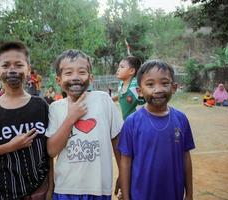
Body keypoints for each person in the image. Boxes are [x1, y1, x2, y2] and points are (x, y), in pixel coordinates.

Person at [0, 41, 53, 200]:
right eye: (6, 65)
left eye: (18, 65)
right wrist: (11, 146)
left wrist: (51, 186)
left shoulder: (41, 105)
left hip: (38, 190)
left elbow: (48, 151)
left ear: (28, 69)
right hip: (3, 190)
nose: (12, 70)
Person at [45, 49, 123, 200]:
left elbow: (117, 141)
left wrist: (123, 174)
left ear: (91, 78)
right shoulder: (55, 108)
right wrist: (71, 118)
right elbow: (51, 150)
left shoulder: (103, 100)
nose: (75, 78)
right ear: (58, 80)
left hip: (99, 188)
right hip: (66, 188)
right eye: (68, 73)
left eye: (81, 72)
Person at [118, 59, 195, 200]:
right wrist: (126, 195)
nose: (158, 89)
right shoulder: (132, 123)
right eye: (150, 84)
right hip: (140, 195)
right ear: (139, 91)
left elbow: (186, 157)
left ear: (174, 87)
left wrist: (189, 194)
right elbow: (125, 162)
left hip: (174, 194)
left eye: (165, 83)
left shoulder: (181, 119)